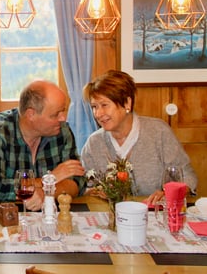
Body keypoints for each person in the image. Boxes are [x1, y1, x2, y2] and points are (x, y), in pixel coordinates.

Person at [80, 70, 197, 206]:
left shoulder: (158, 132)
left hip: (155, 213)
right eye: (94, 107)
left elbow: (187, 177)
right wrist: (93, 192)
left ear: (127, 103)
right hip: (111, 215)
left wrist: (169, 194)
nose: (98, 113)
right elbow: (85, 186)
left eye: (104, 105)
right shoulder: (94, 143)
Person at [0, 79, 86, 212]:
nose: (63, 118)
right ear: (31, 114)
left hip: (46, 214)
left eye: (63, 111)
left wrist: (46, 192)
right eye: (55, 114)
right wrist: (50, 179)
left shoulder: (62, 130)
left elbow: (78, 181)